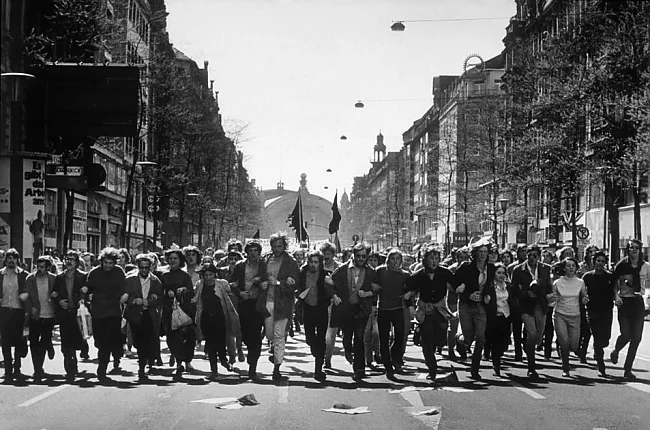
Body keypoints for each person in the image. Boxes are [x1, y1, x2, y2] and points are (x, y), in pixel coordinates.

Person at [327, 242, 379, 382]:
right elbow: (330, 283)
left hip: (361, 310)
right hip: (345, 309)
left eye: (363, 256)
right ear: (354, 256)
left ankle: (359, 369)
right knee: (347, 337)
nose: (361, 259)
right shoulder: (342, 269)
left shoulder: (370, 272)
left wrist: (368, 293)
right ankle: (348, 351)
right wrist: (334, 296)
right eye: (358, 256)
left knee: (359, 337)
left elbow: (377, 289)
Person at [404, 245, 453, 383]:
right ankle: (432, 368)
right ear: (424, 259)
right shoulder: (418, 275)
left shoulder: (445, 272)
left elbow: (457, 283)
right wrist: (411, 307)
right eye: (431, 258)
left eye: (437, 258)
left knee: (441, 338)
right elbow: (408, 293)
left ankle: (436, 346)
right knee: (427, 340)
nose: (434, 261)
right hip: (425, 310)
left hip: (440, 309)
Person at [82, 247, 127, 383]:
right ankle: (108, 357)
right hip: (97, 312)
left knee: (108, 342)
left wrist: (124, 297)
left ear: (115, 263)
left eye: (110, 263)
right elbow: (88, 287)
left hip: (113, 312)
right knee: (99, 342)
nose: (108, 266)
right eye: (105, 263)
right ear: (101, 262)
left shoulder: (119, 272)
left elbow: (124, 288)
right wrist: (84, 292)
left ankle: (102, 368)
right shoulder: (94, 273)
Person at [453, 240, 496, 380]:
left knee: (480, 337)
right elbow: (455, 284)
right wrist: (468, 294)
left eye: (485, 252)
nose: (483, 255)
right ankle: (460, 340)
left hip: (481, 306)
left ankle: (475, 369)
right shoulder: (466, 267)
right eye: (480, 252)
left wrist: (487, 296)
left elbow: (490, 285)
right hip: (466, 304)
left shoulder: (491, 268)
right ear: (475, 253)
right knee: (469, 338)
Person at [261, 232, 299, 381]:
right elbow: (260, 277)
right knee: (270, 334)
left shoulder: (291, 262)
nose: (277, 249)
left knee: (279, 335)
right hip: (267, 302)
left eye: (280, 246)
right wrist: (262, 283)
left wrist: (279, 283)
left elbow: (296, 282)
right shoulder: (266, 259)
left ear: (284, 246)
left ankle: (277, 367)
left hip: (283, 303)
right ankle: (273, 348)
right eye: (275, 246)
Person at [511, 244, 553, 380]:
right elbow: (513, 290)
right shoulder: (518, 270)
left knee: (538, 337)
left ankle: (529, 345)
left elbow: (549, 287)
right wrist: (526, 293)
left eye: (535, 256)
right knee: (532, 333)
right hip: (526, 306)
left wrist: (548, 295)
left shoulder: (545, 269)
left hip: (541, 305)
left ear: (539, 256)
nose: (532, 258)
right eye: (529, 255)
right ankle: (531, 367)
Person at [192, 263, 240, 381]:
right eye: (206, 275)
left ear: (215, 274)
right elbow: (195, 299)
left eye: (210, 274)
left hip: (220, 316)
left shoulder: (222, 284)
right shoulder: (199, 285)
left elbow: (230, 295)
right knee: (210, 343)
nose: (208, 277)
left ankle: (224, 360)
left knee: (221, 341)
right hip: (206, 317)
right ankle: (214, 370)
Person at [610, 239, 649, 380]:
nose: (633, 250)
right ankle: (616, 350)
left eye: (636, 248)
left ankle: (628, 369)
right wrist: (616, 296)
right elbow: (614, 283)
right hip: (624, 301)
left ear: (640, 250)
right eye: (631, 247)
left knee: (636, 338)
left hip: (638, 301)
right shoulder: (622, 265)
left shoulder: (646, 267)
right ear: (627, 249)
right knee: (626, 334)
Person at [230, 240, 267, 380]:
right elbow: (232, 284)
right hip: (244, 302)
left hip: (258, 303)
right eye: (250, 251)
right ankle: (250, 349)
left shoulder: (264, 266)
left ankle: (253, 364)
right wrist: (240, 293)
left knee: (256, 335)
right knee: (245, 334)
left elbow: (269, 280)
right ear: (246, 252)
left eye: (255, 251)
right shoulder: (240, 266)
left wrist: (264, 283)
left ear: (259, 252)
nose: (253, 254)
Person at [124, 254, 163, 381]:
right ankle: (144, 359)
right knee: (137, 341)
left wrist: (150, 302)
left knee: (146, 341)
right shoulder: (130, 279)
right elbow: (124, 297)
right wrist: (134, 301)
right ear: (138, 266)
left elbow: (160, 299)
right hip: (135, 314)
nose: (144, 270)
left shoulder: (155, 281)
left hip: (149, 314)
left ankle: (142, 367)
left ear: (151, 267)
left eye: (147, 267)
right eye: (142, 267)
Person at [160, 249, 195, 380]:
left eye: (175, 258)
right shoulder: (164, 275)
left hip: (184, 310)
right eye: (170, 258)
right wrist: (166, 294)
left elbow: (191, 292)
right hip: (169, 311)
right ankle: (178, 361)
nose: (172, 261)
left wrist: (182, 291)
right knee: (172, 337)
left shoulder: (184, 276)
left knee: (187, 337)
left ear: (180, 260)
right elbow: (159, 292)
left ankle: (187, 361)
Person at [52, 250, 87, 382]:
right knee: (66, 345)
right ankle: (70, 370)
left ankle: (76, 357)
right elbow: (54, 294)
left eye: (72, 259)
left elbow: (88, 292)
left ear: (77, 263)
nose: (69, 261)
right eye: (67, 258)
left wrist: (84, 294)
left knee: (77, 341)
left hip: (77, 314)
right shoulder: (59, 277)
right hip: (65, 314)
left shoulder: (83, 276)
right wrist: (59, 301)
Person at [550, 257, 589, 377]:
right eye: (568, 265)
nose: (571, 268)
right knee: (565, 342)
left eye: (573, 265)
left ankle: (564, 352)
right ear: (564, 268)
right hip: (560, 314)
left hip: (575, 315)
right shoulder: (557, 283)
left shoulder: (580, 282)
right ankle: (565, 368)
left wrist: (585, 299)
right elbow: (551, 301)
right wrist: (552, 298)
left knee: (574, 345)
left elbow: (584, 296)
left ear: (577, 268)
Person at [375, 248, 410, 379]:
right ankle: (388, 365)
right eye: (392, 258)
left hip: (398, 308)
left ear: (401, 261)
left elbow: (411, 289)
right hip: (383, 309)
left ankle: (396, 357)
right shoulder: (380, 271)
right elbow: (373, 283)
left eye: (398, 259)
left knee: (400, 336)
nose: (395, 261)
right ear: (388, 260)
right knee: (383, 338)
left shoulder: (405, 274)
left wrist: (409, 294)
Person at [297, 250, 331, 382]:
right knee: (310, 338)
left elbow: (331, 289)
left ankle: (318, 369)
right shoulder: (302, 272)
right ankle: (315, 351)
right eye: (311, 262)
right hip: (308, 308)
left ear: (320, 263)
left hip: (321, 308)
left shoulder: (325, 274)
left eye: (316, 262)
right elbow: (298, 287)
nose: (313, 265)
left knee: (321, 338)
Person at [23, 256, 57, 382]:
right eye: (38, 266)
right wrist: (30, 308)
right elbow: (25, 295)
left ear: (48, 268)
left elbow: (58, 293)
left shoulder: (53, 279)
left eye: (42, 267)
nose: (39, 269)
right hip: (35, 315)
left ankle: (39, 368)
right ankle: (37, 369)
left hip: (49, 315)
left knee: (43, 343)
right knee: (33, 343)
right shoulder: (30, 279)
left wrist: (56, 295)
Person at [583, 251, 615, 377]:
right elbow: (583, 292)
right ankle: (601, 366)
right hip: (592, 310)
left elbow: (614, 290)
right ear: (593, 261)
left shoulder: (610, 276)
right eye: (598, 261)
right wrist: (584, 299)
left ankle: (599, 349)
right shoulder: (587, 277)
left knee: (605, 339)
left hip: (607, 310)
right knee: (596, 338)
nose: (600, 263)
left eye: (602, 261)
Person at [0, 249, 29, 383]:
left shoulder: (24, 275)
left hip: (19, 311)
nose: (11, 261)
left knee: (18, 340)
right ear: (5, 260)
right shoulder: (1, 274)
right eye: (9, 258)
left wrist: (25, 297)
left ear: (18, 260)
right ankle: (8, 370)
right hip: (4, 311)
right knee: (5, 342)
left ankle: (17, 368)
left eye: (14, 258)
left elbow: (29, 291)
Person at [484, 263, 517, 378]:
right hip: (493, 317)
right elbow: (485, 300)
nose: (501, 275)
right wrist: (486, 300)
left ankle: (498, 355)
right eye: (499, 273)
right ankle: (496, 364)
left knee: (504, 343)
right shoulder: (489, 286)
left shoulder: (509, 286)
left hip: (506, 317)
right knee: (494, 342)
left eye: (503, 273)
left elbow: (513, 300)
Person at [446, 246, 469, 361]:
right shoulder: (452, 269)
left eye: (466, 257)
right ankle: (450, 350)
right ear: (456, 258)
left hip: (466, 301)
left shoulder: (471, 268)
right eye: (461, 257)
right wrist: (457, 289)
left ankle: (461, 346)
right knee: (454, 325)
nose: (463, 260)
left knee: (465, 327)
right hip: (453, 301)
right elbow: (448, 285)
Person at [321, 241, 341, 369]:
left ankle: (327, 358)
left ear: (333, 254)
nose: (326, 256)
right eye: (324, 254)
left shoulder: (339, 268)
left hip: (334, 304)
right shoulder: (317, 266)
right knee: (321, 333)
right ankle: (320, 355)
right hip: (320, 304)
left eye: (328, 254)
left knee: (331, 334)